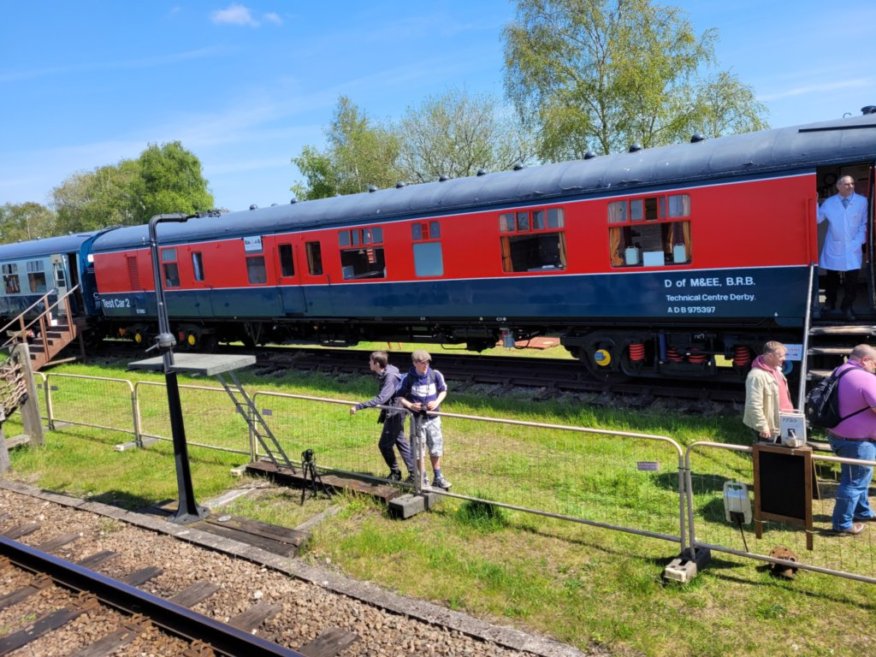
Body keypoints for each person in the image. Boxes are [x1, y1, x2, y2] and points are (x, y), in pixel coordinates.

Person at [827, 344, 876, 535]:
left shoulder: (839, 371)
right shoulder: (864, 377)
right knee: (854, 483)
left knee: (858, 479)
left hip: (840, 436)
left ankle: (862, 511)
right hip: (857, 442)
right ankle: (842, 524)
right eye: (874, 363)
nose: (875, 367)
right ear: (864, 360)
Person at [350, 351, 414, 482]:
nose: (369, 363)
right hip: (396, 410)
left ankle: (396, 473)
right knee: (401, 442)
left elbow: (382, 398)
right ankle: (414, 474)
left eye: (370, 361)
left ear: (377, 364)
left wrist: (358, 406)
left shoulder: (389, 376)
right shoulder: (388, 370)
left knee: (384, 445)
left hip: (396, 412)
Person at [397, 349, 451, 490]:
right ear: (414, 363)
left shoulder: (435, 375)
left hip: (434, 419)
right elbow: (400, 396)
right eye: (422, 362)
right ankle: (423, 479)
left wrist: (436, 402)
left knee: (436, 447)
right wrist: (410, 405)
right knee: (418, 449)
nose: (425, 365)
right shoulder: (408, 378)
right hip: (417, 420)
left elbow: (443, 390)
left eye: (427, 362)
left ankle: (438, 477)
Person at [816, 175, 868, 321]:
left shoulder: (862, 201)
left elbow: (865, 223)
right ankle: (830, 303)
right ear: (838, 186)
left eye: (852, 184)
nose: (851, 186)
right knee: (832, 278)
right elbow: (817, 218)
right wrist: (813, 201)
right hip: (835, 245)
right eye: (846, 184)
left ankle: (847, 307)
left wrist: (857, 242)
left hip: (853, 246)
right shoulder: (830, 202)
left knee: (851, 280)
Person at [743, 341, 793, 441]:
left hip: (783, 421)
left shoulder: (776, 370)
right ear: (770, 356)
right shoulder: (756, 376)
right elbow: (754, 404)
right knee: (768, 454)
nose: (784, 359)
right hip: (770, 427)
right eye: (781, 356)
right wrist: (763, 426)